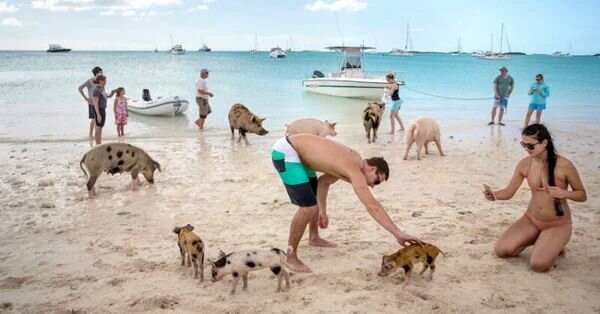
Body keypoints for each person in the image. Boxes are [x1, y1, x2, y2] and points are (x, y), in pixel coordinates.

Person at [271, 134, 422, 272]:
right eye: (376, 180)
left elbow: (323, 183)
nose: (373, 186)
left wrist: (323, 211)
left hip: (301, 157)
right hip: (287, 151)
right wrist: (397, 233)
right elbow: (372, 205)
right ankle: (290, 257)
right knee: (308, 208)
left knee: (313, 202)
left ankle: (314, 237)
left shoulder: (349, 163)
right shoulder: (354, 168)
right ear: (372, 168)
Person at [483, 124, 586, 272]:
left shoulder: (564, 165)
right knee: (502, 251)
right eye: (523, 145)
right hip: (531, 219)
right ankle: (540, 238)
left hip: (557, 223)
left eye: (530, 146)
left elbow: (582, 195)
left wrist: (565, 193)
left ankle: (554, 243)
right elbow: (509, 191)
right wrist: (494, 195)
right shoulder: (525, 164)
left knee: (538, 265)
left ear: (544, 143)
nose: (526, 149)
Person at [78, 66, 103, 139]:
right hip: (92, 103)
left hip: (99, 103)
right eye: (100, 72)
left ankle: (96, 134)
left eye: (102, 72)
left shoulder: (101, 81)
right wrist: (86, 98)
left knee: (99, 119)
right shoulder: (90, 81)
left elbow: (102, 92)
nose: (102, 73)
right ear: (96, 73)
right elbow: (80, 88)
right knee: (94, 118)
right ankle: (90, 134)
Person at [92, 75, 109, 145]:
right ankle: (97, 144)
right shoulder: (96, 90)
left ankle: (99, 143)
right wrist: (98, 114)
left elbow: (105, 97)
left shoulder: (102, 88)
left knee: (100, 127)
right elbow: (95, 103)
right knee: (98, 127)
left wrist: (112, 93)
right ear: (101, 81)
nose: (106, 82)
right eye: (105, 80)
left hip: (103, 108)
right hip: (99, 109)